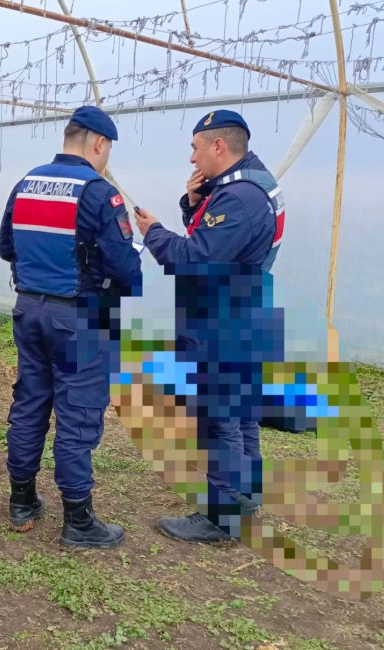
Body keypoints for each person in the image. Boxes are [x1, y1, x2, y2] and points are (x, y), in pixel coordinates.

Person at [134, 109, 285, 544]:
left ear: (219, 146)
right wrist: (194, 205)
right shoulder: (253, 183)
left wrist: (153, 232)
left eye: (196, 148)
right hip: (245, 311)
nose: (192, 159)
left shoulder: (238, 199)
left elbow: (195, 258)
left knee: (220, 418)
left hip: (224, 322)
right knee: (242, 414)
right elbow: (217, 243)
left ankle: (222, 516)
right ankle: (246, 495)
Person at [0, 106, 142, 549]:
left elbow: (7, 247)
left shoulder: (27, 183)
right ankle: (78, 520)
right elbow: (122, 262)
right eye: (108, 150)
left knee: (31, 401)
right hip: (79, 318)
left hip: (29, 309)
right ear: (99, 144)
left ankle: (22, 500)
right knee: (78, 413)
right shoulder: (100, 193)